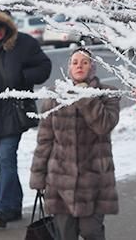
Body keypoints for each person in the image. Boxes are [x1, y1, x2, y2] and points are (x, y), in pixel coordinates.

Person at [0, 10, 52, 227]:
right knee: (5, 162)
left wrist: (24, 77)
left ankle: (4, 208)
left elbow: (44, 67)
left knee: (6, 159)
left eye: (1, 26)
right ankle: (14, 206)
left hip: (14, 112)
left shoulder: (24, 43)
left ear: (8, 26)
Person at [30, 47, 120, 240]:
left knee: (91, 232)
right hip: (60, 181)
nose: (79, 66)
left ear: (92, 67)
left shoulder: (107, 94)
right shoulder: (56, 97)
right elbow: (45, 140)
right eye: (75, 62)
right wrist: (38, 176)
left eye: (85, 62)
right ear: (69, 68)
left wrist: (85, 96)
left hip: (94, 180)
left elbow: (104, 126)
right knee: (65, 235)